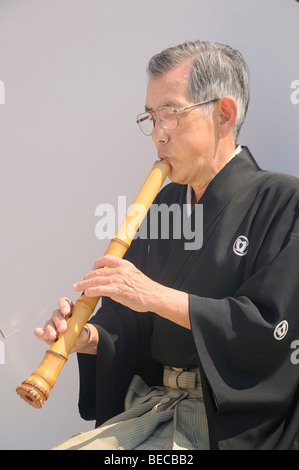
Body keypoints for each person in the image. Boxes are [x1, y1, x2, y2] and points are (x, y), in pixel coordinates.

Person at [35, 40, 299, 450]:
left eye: (170, 114)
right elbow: (130, 321)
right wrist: (90, 338)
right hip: (154, 406)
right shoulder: (165, 204)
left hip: (222, 425)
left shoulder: (283, 199)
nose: (157, 134)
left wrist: (155, 295)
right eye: (151, 117)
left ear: (224, 114)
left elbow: (269, 329)